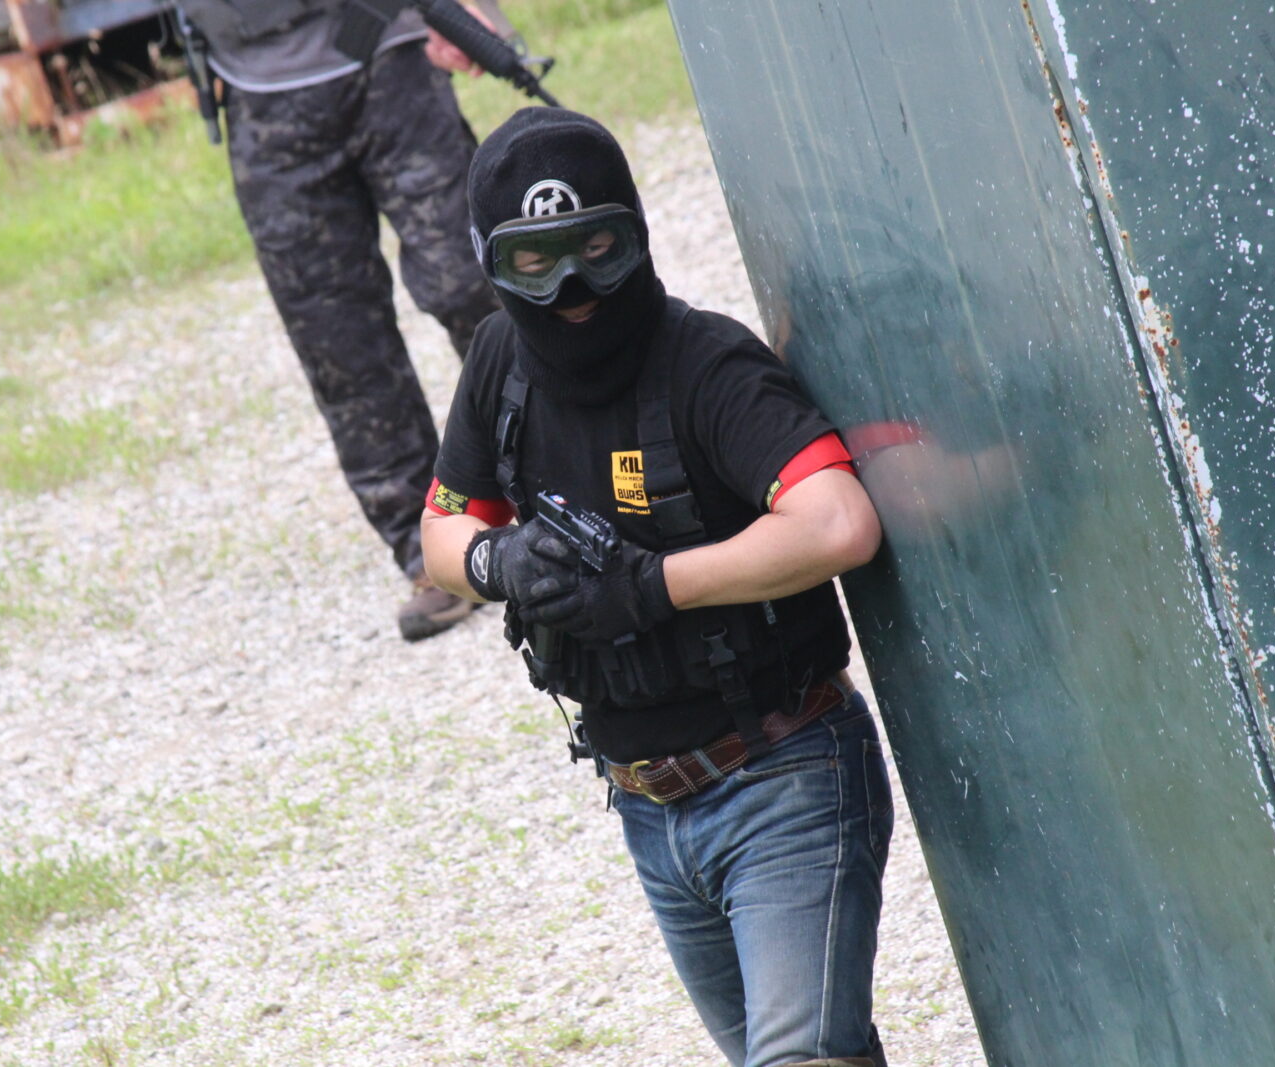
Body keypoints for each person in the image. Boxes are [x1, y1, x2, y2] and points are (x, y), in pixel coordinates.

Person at [420, 106, 895, 1067]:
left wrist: (655, 586)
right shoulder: (501, 365)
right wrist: (499, 562)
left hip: (784, 775)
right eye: (535, 262)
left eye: (597, 250)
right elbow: (441, 528)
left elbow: (839, 521)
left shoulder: (708, 366)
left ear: (635, 234)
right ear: (490, 264)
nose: (573, 289)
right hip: (646, 804)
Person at [177, 0, 501, 640]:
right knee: (338, 341)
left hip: (385, 47)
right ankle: (431, 551)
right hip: (257, 91)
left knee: (473, 286)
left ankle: (559, 484)